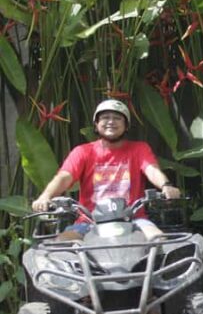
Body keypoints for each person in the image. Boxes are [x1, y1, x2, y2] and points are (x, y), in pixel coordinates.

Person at [31, 99, 181, 240]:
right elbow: (64, 177)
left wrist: (166, 186)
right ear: (96, 125)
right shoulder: (83, 151)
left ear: (126, 125)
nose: (111, 121)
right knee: (61, 244)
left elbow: (152, 170)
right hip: (89, 221)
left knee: (158, 239)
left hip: (134, 219)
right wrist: (46, 196)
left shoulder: (139, 149)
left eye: (117, 118)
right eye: (105, 118)